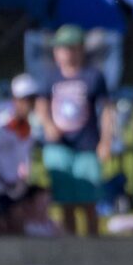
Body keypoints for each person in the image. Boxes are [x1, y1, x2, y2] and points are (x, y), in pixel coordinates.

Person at [35, 25, 114, 236]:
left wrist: (106, 141)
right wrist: (48, 125)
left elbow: (107, 109)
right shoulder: (49, 77)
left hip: (86, 145)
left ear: (80, 49)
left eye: (70, 48)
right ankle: (71, 250)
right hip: (60, 147)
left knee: (89, 202)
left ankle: (93, 250)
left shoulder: (93, 76)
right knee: (65, 203)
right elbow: (41, 105)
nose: (65, 53)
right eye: (61, 48)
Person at [0, 74, 39, 234]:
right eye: (25, 100)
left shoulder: (30, 128)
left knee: (18, 228)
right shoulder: (0, 126)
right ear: (15, 100)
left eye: (32, 100)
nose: (29, 105)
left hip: (16, 187)